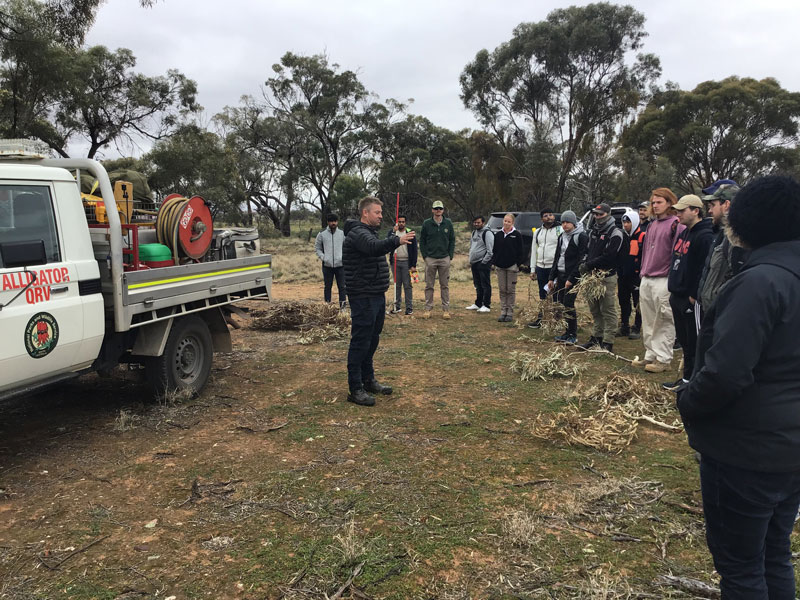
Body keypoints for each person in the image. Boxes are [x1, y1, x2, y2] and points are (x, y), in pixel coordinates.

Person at [676, 175, 800, 598]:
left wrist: (687, 400)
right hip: (789, 449)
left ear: (747, 222)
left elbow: (725, 374)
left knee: (742, 568)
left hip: (746, 453)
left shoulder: (758, 283)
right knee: (774, 554)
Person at [342, 197, 415, 406]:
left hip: (375, 293)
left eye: (381, 212)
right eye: (377, 212)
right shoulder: (358, 233)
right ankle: (355, 388)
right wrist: (396, 240)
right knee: (361, 341)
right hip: (362, 295)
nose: (381, 216)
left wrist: (391, 239)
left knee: (372, 339)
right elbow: (374, 247)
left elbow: (375, 246)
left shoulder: (369, 232)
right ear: (365, 213)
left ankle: (368, 380)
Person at [662, 195, 714, 390]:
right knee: (684, 341)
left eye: (682, 210)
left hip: (690, 299)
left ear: (695, 211)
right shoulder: (684, 233)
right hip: (677, 294)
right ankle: (686, 379)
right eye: (677, 210)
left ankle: (695, 381)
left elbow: (704, 268)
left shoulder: (705, 236)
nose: (678, 214)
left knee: (695, 342)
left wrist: (694, 294)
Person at [632, 188, 685, 373]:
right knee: (648, 319)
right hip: (647, 277)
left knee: (663, 320)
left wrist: (673, 278)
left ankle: (663, 359)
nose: (655, 205)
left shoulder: (676, 225)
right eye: (653, 202)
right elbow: (646, 251)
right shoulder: (652, 225)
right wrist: (642, 274)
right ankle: (650, 355)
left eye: (659, 202)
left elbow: (679, 254)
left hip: (664, 279)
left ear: (669, 203)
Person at [578, 203, 624, 352]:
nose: (597, 217)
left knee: (608, 309)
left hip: (606, 276)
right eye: (596, 214)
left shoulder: (615, 233)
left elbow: (609, 257)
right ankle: (596, 337)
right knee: (595, 308)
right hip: (591, 276)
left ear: (608, 214)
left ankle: (608, 341)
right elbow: (587, 250)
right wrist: (584, 262)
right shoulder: (593, 231)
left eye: (601, 214)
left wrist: (588, 264)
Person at [697, 181, 748, 315]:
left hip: (724, 313)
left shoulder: (738, 238)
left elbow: (738, 277)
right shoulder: (723, 233)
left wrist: (718, 298)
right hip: (714, 312)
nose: (709, 210)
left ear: (726, 205)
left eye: (713, 205)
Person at [547, 210, 587, 344]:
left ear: (573, 223)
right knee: (562, 303)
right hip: (561, 274)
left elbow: (581, 260)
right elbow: (557, 257)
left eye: (567, 222)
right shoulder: (561, 237)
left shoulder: (581, 236)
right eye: (563, 222)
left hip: (572, 276)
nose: (565, 225)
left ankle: (573, 334)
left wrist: (572, 278)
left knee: (569, 304)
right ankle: (567, 332)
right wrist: (552, 277)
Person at [419, 200, 455, 319]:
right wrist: (425, 256)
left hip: (444, 258)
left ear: (443, 210)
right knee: (429, 285)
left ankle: (446, 310)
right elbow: (422, 240)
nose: (438, 210)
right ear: (432, 210)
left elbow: (452, 239)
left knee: (444, 285)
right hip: (431, 258)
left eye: (440, 208)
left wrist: (450, 255)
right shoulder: (427, 223)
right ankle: (428, 309)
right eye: (436, 208)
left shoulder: (448, 223)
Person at [527, 208, 562, 327]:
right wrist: (533, 269)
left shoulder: (560, 230)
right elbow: (534, 250)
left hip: (554, 268)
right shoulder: (538, 232)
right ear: (542, 219)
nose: (549, 217)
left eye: (551, 215)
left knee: (556, 294)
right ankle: (542, 319)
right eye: (546, 215)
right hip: (541, 267)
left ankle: (557, 320)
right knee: (543, 294)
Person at [492, 213, 525, 322]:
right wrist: (495, 262)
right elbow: (495, 250)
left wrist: (517, 264)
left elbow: (521, 251)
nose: (506, 223)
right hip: (500, 267)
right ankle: (503, 312)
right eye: (505, 221)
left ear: (512, 223)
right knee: (502, 289)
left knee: (510, 290)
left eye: (509, 221)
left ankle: (510, 312)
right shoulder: (498, 235)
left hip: (512, 267)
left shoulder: (517, 235)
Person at [617, 209, 644, 340]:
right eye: (624, 222)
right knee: (623, 300)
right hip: (623, 275)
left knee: (638, 302)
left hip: (636, 276)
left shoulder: (642, 236)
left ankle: (637, 327)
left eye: (628, 222)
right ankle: (624, 325)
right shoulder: (622, 236)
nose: (626, 225)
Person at [387, 214, 417, 315]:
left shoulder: (409, 233)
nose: (401, 223)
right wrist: (393, 232)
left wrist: (413, 265)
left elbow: (414, 250)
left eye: (403, 222)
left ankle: (409, 308)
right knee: (397, 285)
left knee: (407, 285)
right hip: (395, 262)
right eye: (399, 222)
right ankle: (397, 306)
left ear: (405, 223)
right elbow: (387, 242)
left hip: (406, 262)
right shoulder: (393, 233)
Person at [314, 213, 346, 307]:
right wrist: (323, 257)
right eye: (331, 221)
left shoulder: (342, 234)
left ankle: (343, 308)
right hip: (327, 266)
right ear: (328, 222)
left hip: (340, 265)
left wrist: (343, 257)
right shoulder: (322, 234)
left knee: (342, 287)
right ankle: (327, 307)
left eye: (335, 221)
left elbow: (346, 246)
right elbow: (317, 248)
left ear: (337, 222)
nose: (333, 223)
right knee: (328, 287)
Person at [466, 215, 494, 313]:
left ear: (483, 222)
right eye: (475, 222)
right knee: (477, 284)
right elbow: (472, 246)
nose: (476, 224)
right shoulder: (474, 232)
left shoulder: (487, 233)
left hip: (483, 262)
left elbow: (490, 251)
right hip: (474, 262)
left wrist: (484, 262)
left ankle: (486, 305)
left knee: (485, 284)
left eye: (478, 222)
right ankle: (478, 303)